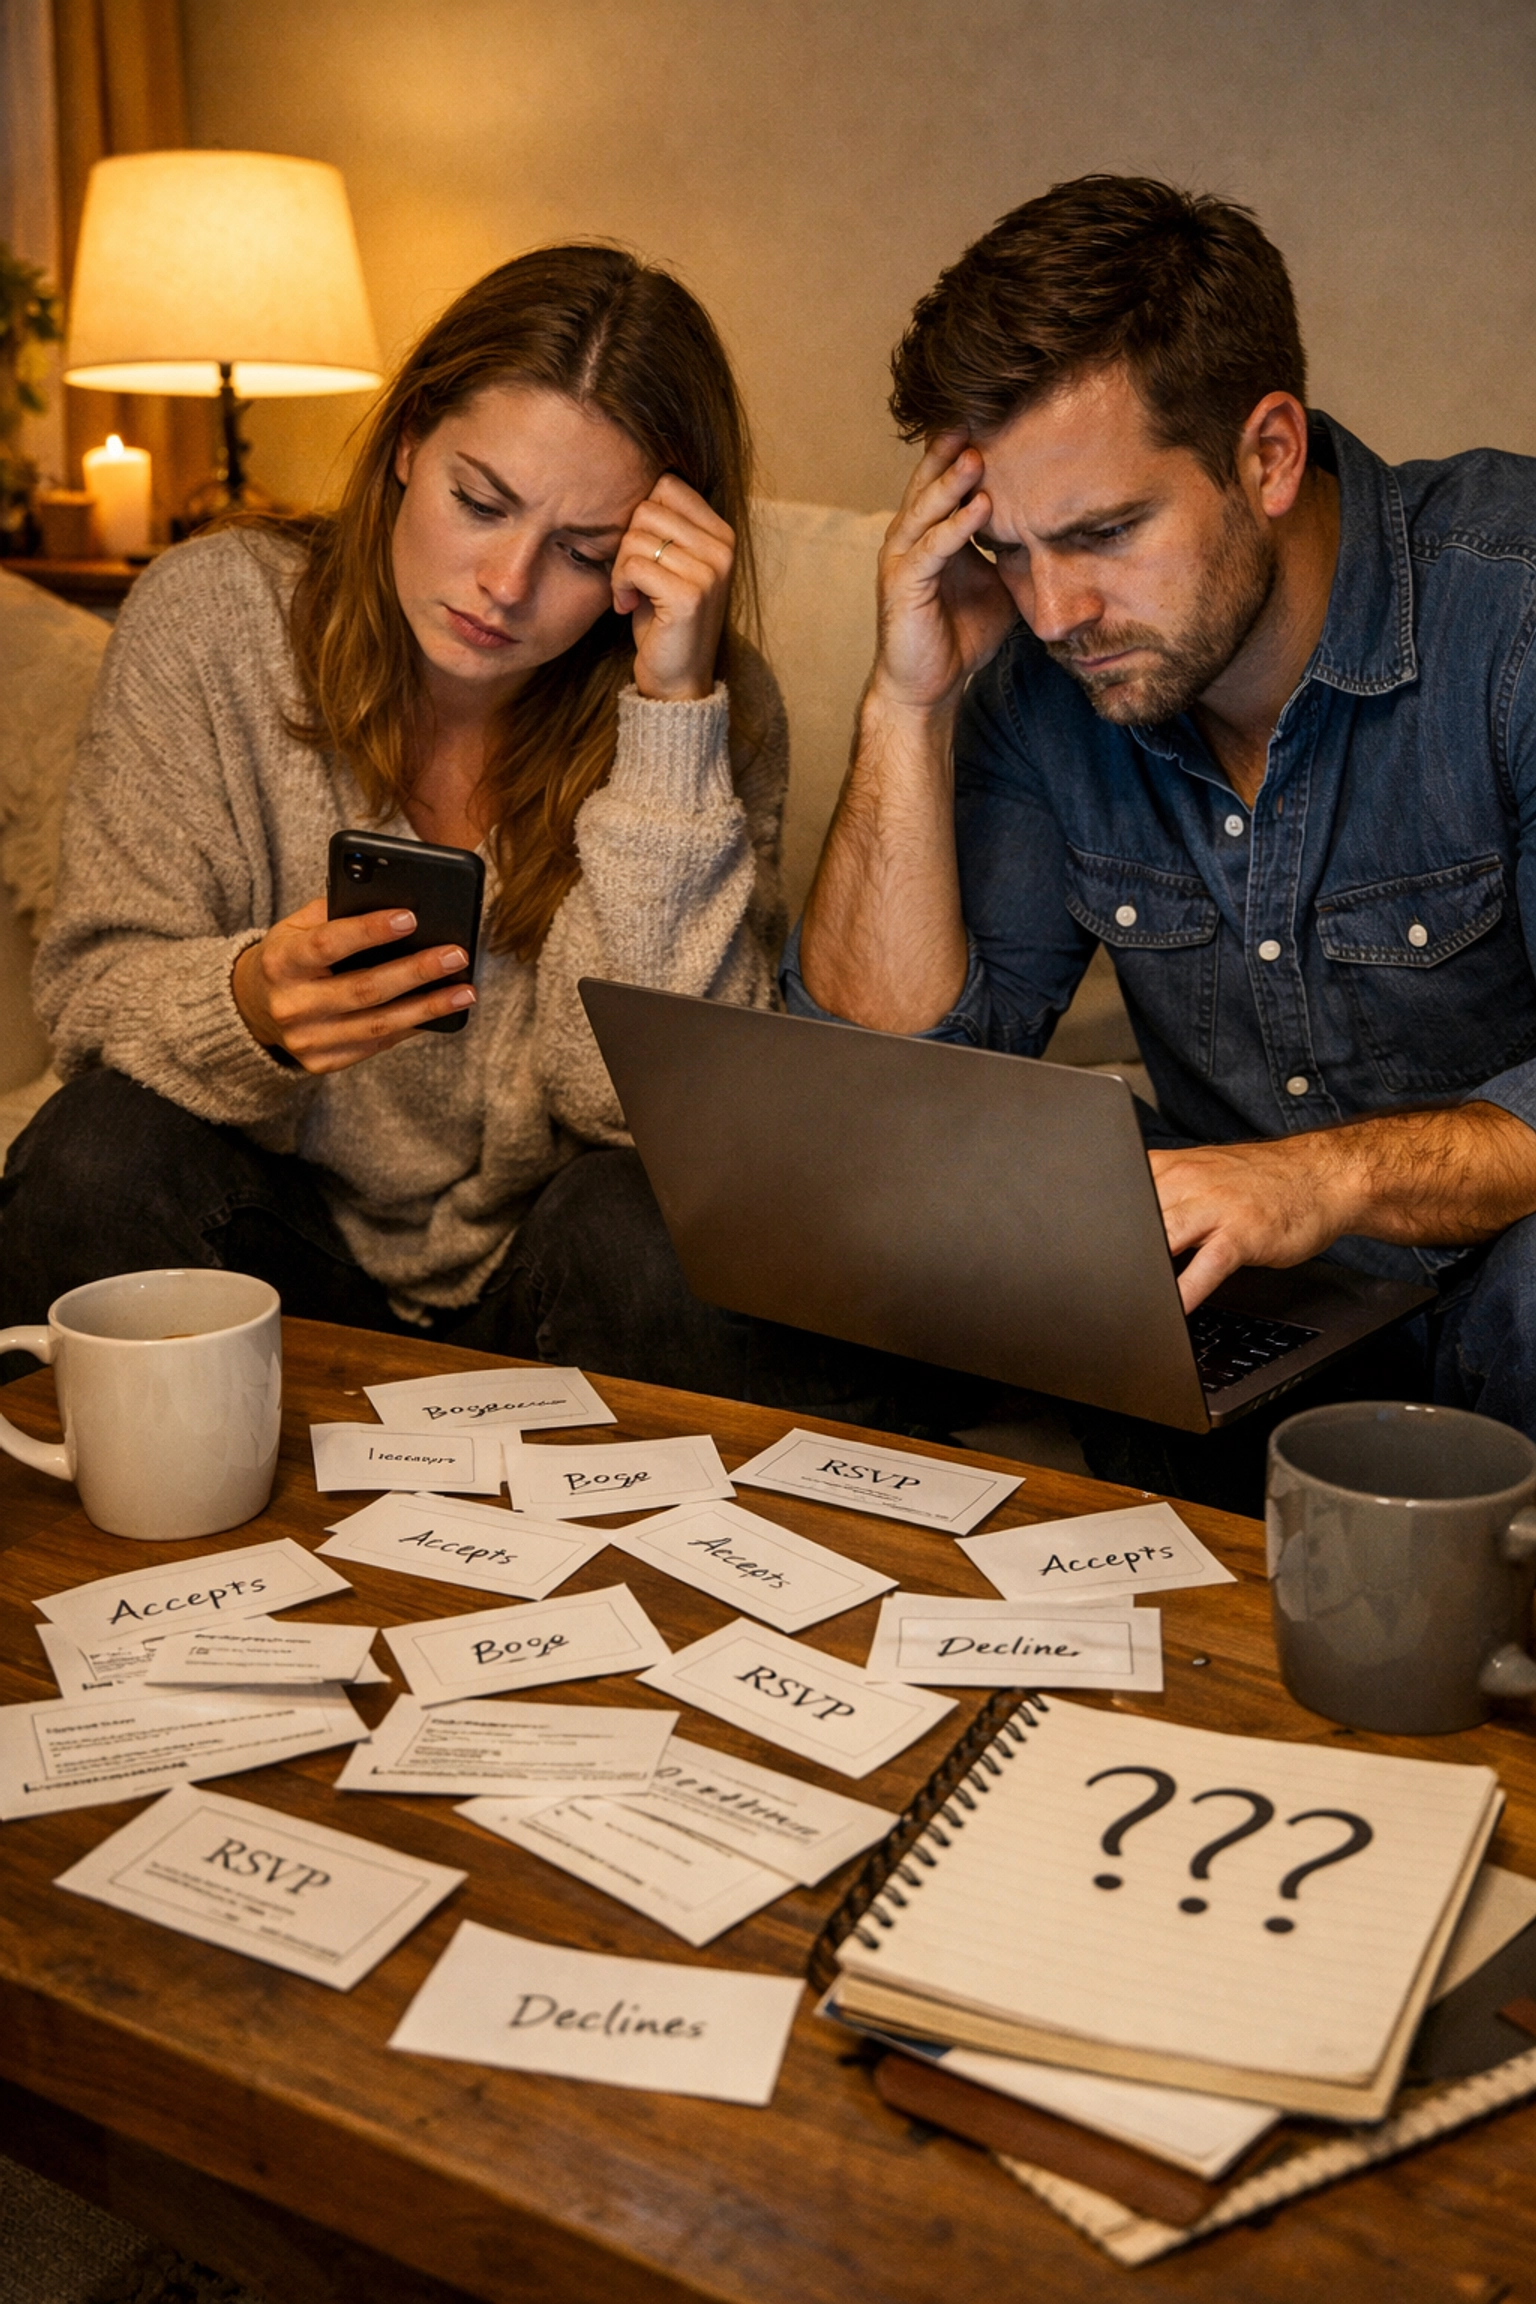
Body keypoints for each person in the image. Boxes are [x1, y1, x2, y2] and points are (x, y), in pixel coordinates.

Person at [0, 244, 959, 1428]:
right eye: (482, 503)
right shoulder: (214, 616)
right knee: (94, 1150)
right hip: (272, 1233)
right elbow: (90, 995)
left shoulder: (715, 708)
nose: (506, 583)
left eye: (585, 552)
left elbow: (640, 1116)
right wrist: (250, 1005)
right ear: (409, 441)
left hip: (542, 1271)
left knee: (642, 1224)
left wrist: (669, 711)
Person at [791, 175, 1536, 1511]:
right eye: (1009, 550)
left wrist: (1318, 1180)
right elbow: (883, 1102)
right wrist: (907, 704)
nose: (1055, 610)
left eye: (1103, 534)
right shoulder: (1042, 678)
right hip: (1257, 1316)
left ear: (1270, 455)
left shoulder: (1514, 615)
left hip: (1504, 1288)